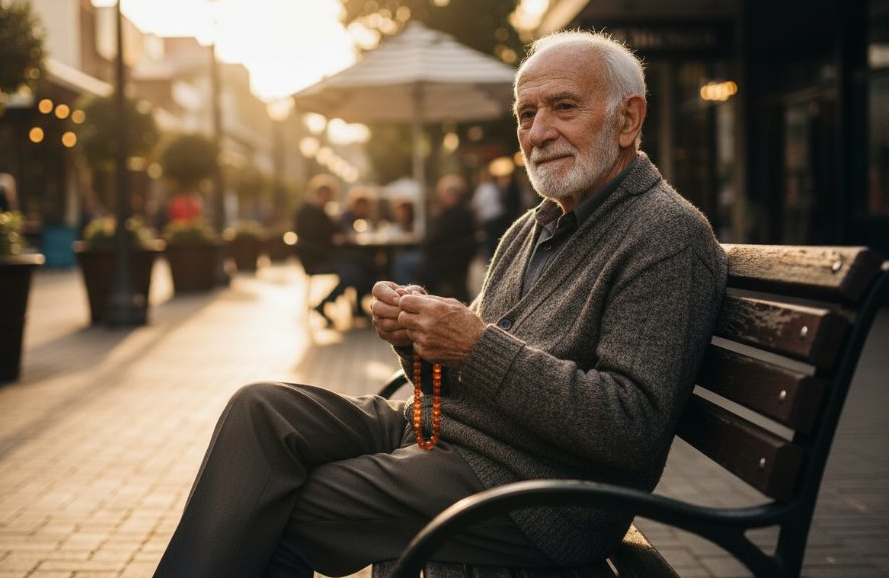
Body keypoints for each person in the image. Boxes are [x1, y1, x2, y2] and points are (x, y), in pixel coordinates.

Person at [152, 31, 727, 577]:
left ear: (627, 119)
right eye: (526, 114)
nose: (538, 132)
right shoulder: (534, 227)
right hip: (445, 436)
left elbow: (630, 426)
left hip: (536, 495)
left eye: (564, 107)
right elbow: (457, 377)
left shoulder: (667, 235)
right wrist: (416, 338)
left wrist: (475, 346)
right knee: (261, 408)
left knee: (274, 506)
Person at [292, 174, 374, 326]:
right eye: (329, 197)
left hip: (323, 255)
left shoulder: (314, 210)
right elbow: (320, 235)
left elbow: (331, 229)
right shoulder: (309, 212)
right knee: (354, 271)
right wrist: (334, 239)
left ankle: (354, 308)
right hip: (318, 258)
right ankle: (325, 304)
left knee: (362, 263)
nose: (329, 201)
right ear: (322, 194)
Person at [392, 174, 478, 301]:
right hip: (457, 264)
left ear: (451, 195)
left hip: (440, 263)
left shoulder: (450, 216)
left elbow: (433, 243)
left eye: (443, 194)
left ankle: (407, 301)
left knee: (401, 261)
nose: (441, 198)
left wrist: (423, 243)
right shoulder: (467, 214)